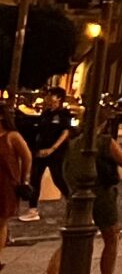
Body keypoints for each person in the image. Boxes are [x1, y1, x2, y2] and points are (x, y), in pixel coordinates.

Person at [42, 113, 122, 274]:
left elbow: (66, 169)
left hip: (76, 195)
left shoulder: (74, 143)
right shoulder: (104, 141)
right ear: (104, 123)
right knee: (112, 236)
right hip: (101, 194)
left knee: (67, 242)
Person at [24, 91, 72, 221]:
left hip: (56, 153)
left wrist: (53, 148)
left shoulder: (64, 114)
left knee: (58, 178)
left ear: (59, 98)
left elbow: (65, 132)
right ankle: (32, 210)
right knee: (35, 179)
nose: (49, 97)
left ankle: (74, 204)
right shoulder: (46, 113)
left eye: (52, 95)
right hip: (41, 151)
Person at [0, 113, 27, 263]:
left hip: (6, 183)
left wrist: (24, 178)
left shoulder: (12, 136)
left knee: (1, 220)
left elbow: (26, 156)